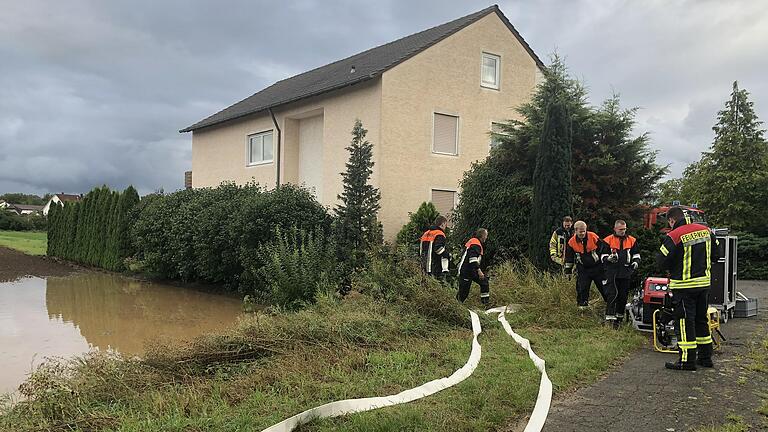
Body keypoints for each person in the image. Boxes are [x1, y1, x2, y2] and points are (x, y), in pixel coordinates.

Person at [656, 206, 720, 371]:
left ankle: (687, 360)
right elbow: (716, 255)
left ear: (672, 220)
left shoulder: (674, 235)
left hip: (683, 287)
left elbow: (661, 262)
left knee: (684, 322)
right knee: (701, 320)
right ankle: (705, 358)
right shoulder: (706, 231)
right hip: (703, 285)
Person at [601, 220, 641, 328]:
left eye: (624, 229)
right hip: (612, 272)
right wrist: (608, 258)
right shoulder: (608, 240)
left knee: (623, 296)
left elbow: (636, 254)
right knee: (612, 295)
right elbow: (602, 256)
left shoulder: (632, 240)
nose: (623, 231)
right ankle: (609, 320)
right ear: (615, 229)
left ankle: (619, 319)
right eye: (620, 229)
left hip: (626, 272)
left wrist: (635, 262)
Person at [564, 221, 604, 309]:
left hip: (597, 267)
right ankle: (582, 307)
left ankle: (609, 305)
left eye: (584, 231)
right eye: (580, 231)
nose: (582, 233)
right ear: (575, 231)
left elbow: (603, 248)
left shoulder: (593, 236)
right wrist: (568, 271)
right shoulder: (571, 242)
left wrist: (604, 262)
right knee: (582, 288)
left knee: (604, 287)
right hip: (583, 269)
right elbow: (569, 258)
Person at [457, 228, 489, 304]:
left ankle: (485, 303)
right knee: (463, 293)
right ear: (483, 236)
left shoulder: (474, 242)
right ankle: (457, 306)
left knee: (484, 282)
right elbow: (473, 259)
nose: (486, 237)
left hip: (471, 270)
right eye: (486, 235)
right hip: (466, 271)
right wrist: (479, 271)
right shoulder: (476, 244)